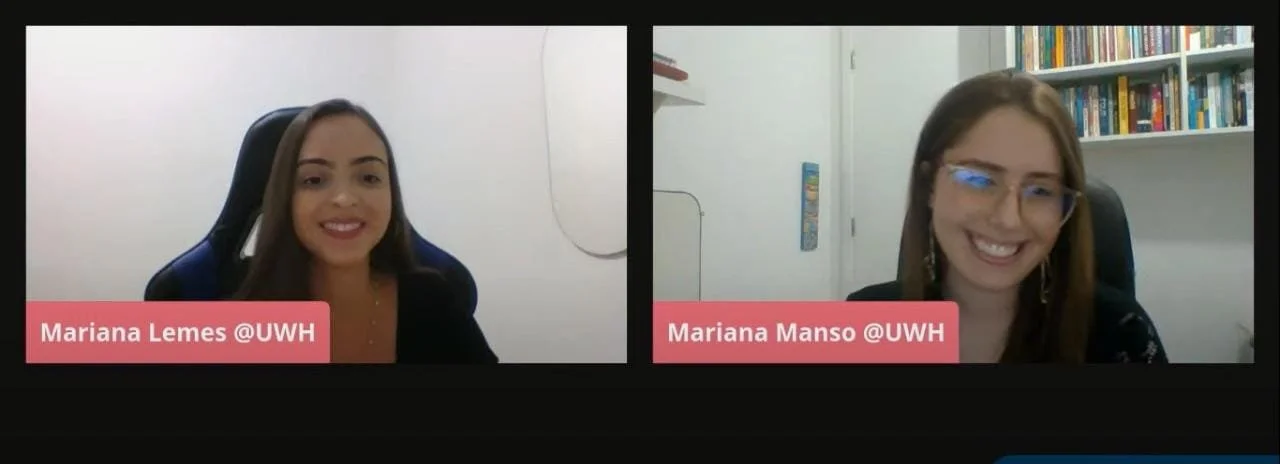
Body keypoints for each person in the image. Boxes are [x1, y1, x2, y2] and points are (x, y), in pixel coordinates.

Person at [846, 70, 1167, 364]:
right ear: (929, 185)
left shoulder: (1121, 335)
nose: (1009, 219)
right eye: (979, 180)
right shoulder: (863, 320)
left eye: (1040, 190)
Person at [234, 98, 498, 364]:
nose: (345, 199)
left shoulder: (434, 300)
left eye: (369, 178)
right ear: (286, 199)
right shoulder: (244, 324)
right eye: (314, 180)